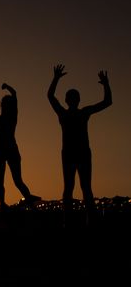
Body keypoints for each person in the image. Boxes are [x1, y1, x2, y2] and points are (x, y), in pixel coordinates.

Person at [47, 64, 112, 225]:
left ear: (68, 100)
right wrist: (106, 84)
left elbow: (50, 96)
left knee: (73, 188)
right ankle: (80, 221)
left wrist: (55, 78)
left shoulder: (69, 113)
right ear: (75, 100)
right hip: (78, 153)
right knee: (82, 188)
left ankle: (70, 222)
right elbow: (107, 101)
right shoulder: (82, 113)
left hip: (73, 153)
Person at [0, 83, 41, 211]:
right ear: (2, 106)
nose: (6, 107)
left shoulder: (12, 117)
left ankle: (29, 201)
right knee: (0, 180)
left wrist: (7, 87)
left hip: (11, 150)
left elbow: (15, 95)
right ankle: (3, 204)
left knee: (17, 180)